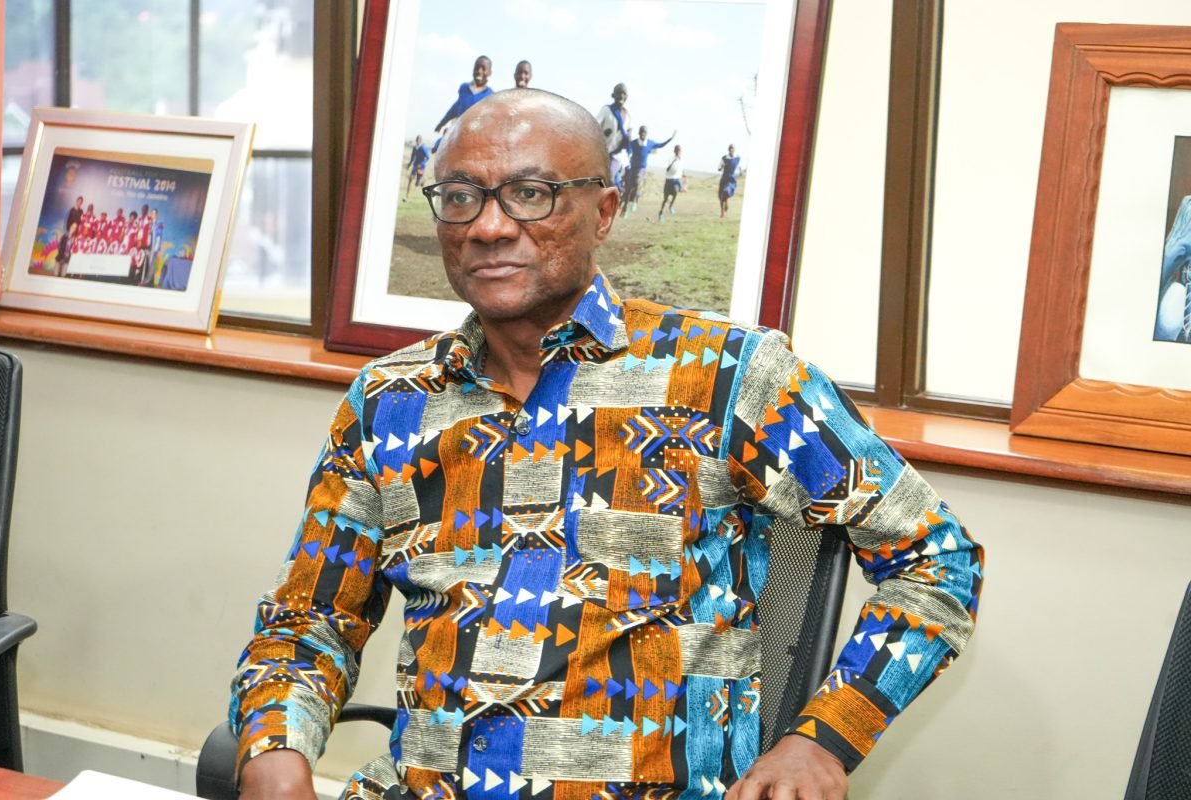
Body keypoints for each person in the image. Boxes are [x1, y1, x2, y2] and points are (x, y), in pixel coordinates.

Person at [230, 89, 983, 800]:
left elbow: (936, 557)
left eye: (531, 194)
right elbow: (308, 622)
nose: (488, 227)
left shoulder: (729, 376)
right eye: (460, 196)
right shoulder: (389, 401)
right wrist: (275, 751)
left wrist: (824, 740)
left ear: (606, 212)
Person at [619, 125, 676, 218]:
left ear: (646, 134)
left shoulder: (650, 143)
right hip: (633, 168)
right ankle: (625, 209)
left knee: (637, 181)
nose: (642, 134)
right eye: (641, 132)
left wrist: (670, 139)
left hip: (641, 168)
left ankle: (635, 201)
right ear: (639, 133)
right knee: (629, 189)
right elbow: (626, 145)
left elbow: (660, 145)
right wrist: (627, 134)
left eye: (644, 132)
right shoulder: (634, 143)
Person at [433, 55, 494, 140]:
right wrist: (442, 123)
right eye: (477, 68)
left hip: (476, 139)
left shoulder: (490, 96)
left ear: (490, 72)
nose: (479, 71)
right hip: (458, 136)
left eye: (483, 69)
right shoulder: (464, 88)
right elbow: (455, 108)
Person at [595, 82, 631, 190]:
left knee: (609, 178)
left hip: (615, 155)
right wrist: (602, 133)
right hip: (601, 153)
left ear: (626, 97)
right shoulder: (606, 110)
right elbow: (594, 126)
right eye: (618, 93)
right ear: (613, 95)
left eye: (624, 94)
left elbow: (628, 133)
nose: (621, 96)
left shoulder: (627, 115)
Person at [658, 144, 685, 222]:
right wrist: (673, 162)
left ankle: (671, 206)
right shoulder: (671, 158)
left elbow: (681, 169)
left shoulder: (682, 160)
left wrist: (684, 175)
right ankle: (660, 213)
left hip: (676, 180)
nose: (678, 152)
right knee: (665, 199)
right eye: (677, 150)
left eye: (679, 150)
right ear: (674, 151)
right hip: (669, 180)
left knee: (676, 191)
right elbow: (667, 169)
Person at [403, 135, 430, 202]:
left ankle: (422, 181)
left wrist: (421, 164)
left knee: (417, 184)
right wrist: (409, 164)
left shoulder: (423, 148)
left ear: (421, 140)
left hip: (421, 167)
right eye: (417, 140)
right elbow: (412, 157)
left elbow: (427, 158)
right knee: (410, 179)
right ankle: (407, 196)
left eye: (419, 140)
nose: (417, 141)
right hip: (415, 166)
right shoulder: (414, 148)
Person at [718, 145, 741, 218]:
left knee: (726, 191)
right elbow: (719, 167)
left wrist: (740, 172)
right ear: (729, 150)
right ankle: (722, 212)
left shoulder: (737, 158)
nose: (732, 150)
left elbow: (740, 168)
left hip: (731, 179)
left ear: (734, 150)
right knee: (721, 197)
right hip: (724, 178)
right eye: (731, 149)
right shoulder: (724, 158)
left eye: (733, 148)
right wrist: (721, 167)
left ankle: (726, 207)